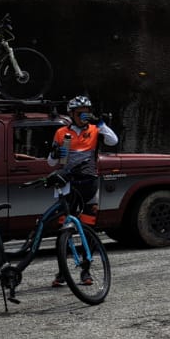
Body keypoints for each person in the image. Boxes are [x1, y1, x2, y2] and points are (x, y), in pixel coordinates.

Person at [49, 95, 118, 286]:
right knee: (63, 230)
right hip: (67, 185)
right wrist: (54, 155)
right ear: (71, 114)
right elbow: (51, 162)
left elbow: (113, 141)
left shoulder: (96, 130)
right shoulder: (61, 133)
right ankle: (62, 272)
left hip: (89, 183)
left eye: (87, 113)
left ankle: (85, 271)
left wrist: (101, 123)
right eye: (80, 113)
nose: (84, 116)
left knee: (88, 229)